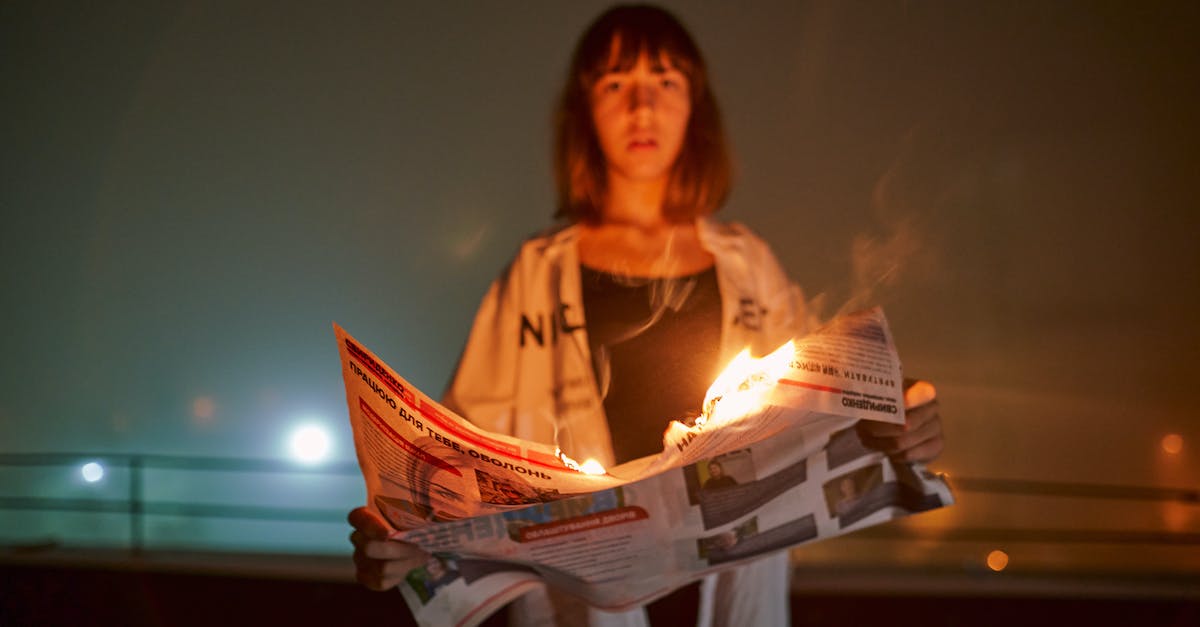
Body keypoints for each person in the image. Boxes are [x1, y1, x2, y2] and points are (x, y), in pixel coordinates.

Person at [349, 4, 944, 626]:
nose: (642, 108)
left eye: (665, 81)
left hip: (732, 597)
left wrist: (900, 424)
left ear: (696, 106)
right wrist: (402, 538)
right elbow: (455, 465)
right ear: (584, 111)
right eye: (615, 84)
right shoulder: (535, 275)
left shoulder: (750, 267)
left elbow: (823, 419)